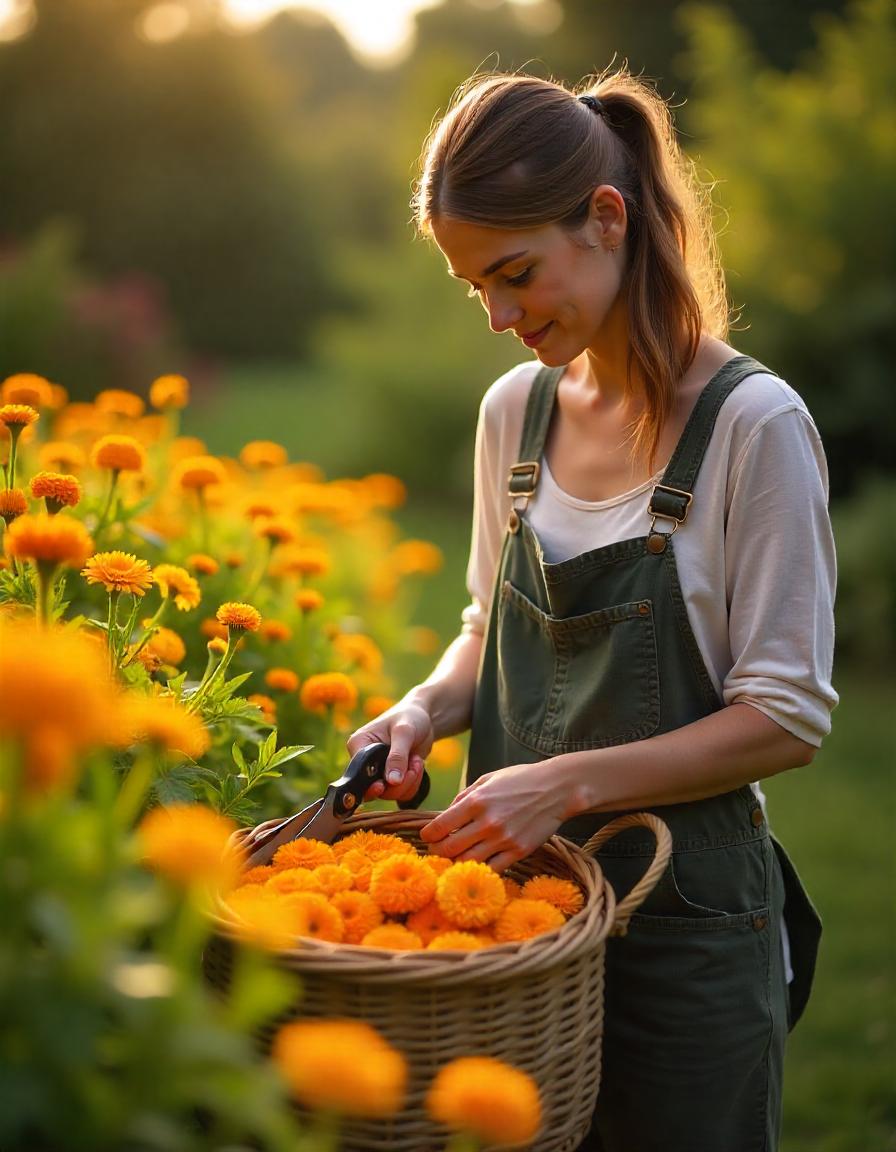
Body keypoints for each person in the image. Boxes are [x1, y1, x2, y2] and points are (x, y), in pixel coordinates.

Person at [348, 67, 837, 1152]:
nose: (496, 316)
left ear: (605, 218)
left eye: (514, 274)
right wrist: (424, 710)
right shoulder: (512, 414)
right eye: (473, 285)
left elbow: (788, 717)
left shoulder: (753, 426)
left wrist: (563, 781)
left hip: (685, 933)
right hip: (506, 928)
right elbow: (487, 627)